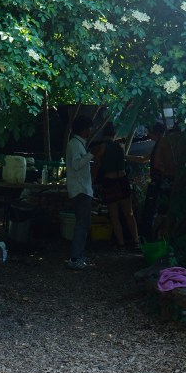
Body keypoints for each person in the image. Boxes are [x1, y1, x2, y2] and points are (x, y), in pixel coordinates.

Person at [91, 122, 140, 250]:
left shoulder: (102, 147)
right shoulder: (120, 146)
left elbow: (96, 166)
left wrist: (91, 181)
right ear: (114, 134)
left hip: (110, 181)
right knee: (129, 213)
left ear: (103, 134)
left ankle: (121, 244)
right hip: (123, 181)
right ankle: (136, 241)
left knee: (114, 215)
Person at [65, 114, 94, 270]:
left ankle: (79, 256)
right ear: (84, 129)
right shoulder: (75, 144)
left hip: (81, 189)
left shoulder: (77, 144)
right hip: (80, 190)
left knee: (83, 224)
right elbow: (76, 165)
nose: (91, 130)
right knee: (82, 225)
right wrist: (92, 154)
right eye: (89, 128)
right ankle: (75, 258)